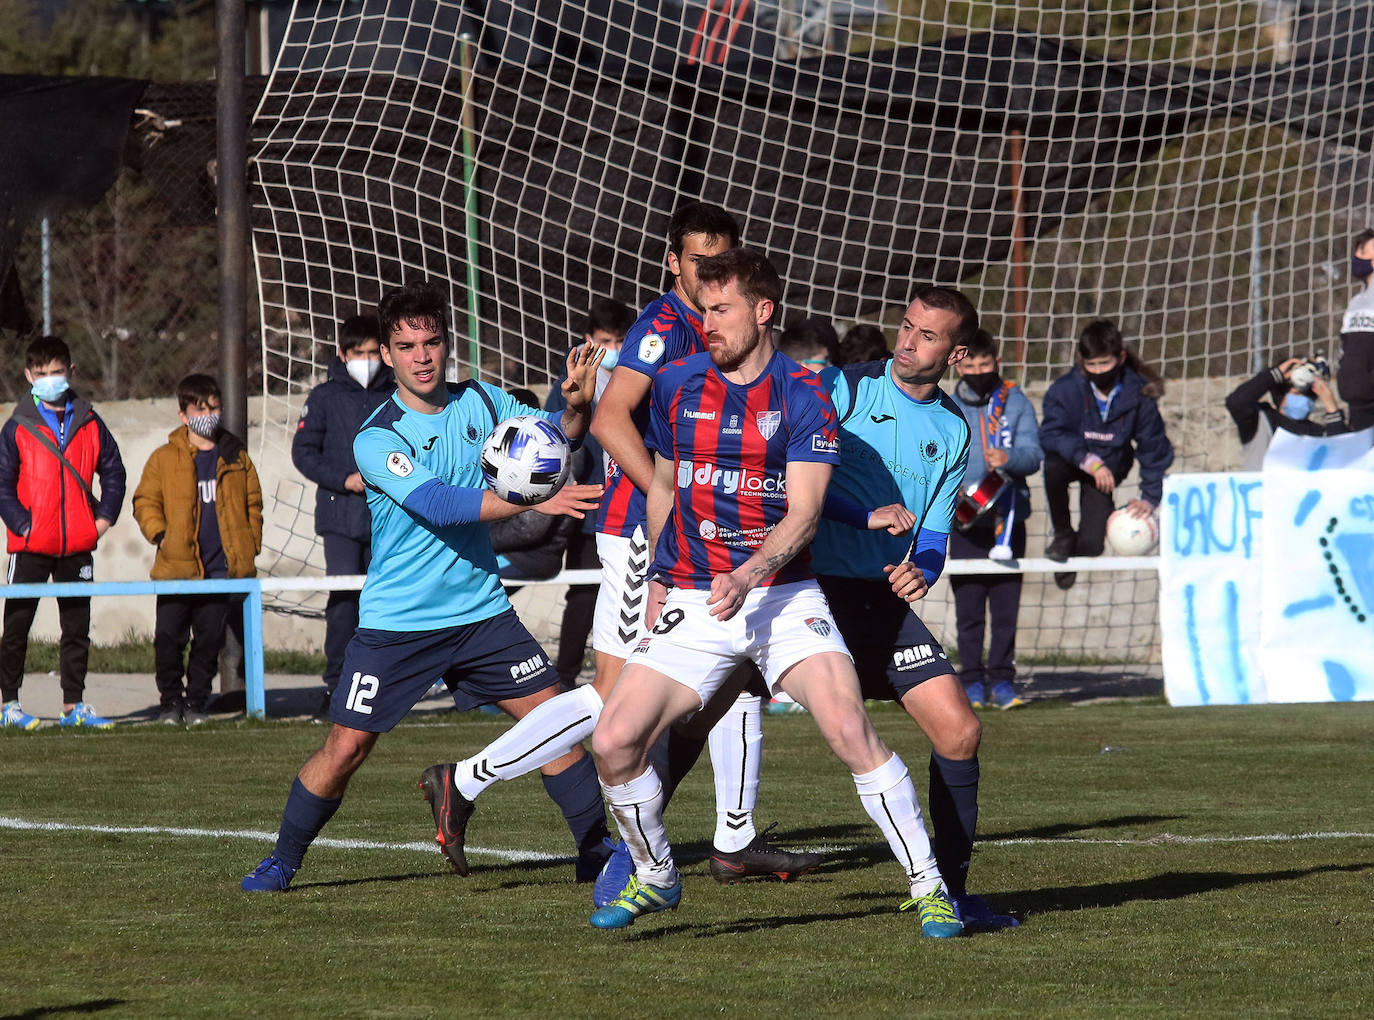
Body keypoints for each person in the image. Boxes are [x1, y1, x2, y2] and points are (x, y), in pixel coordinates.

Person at [417, 203, 822, 911]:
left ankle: (734, 836)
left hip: (701, 539)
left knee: (739, 670)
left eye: (721, 258)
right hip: (646, 535)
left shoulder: (722, 326)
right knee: (617, 700)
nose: (709, 273)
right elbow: (608, 420)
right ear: (674, 264)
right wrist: (670, 498)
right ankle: (470, 781)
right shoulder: (664, 327)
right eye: (698, 260)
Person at [588, 250, 963, 937]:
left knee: (851, 730)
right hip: (698, 598)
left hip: (783, 597)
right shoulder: (675, 384)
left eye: (721, 310)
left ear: (763, 313)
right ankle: (657, 874)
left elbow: (805, 514)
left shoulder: (804, 394)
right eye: (703, 311)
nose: (707, 324)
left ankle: (931, 887)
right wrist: (658, 580)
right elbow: (665, 486)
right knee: (612, 741)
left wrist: (748, 573)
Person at [242, 280, 608, 893]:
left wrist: (573, 408)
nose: (422, 355)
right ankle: (282, 860)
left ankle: (597, 852)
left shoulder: (486, 403)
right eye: (406, 345)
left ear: (447, 343)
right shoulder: (376, 433)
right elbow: (439, 504)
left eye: (432, 342)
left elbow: (552, 437)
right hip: (398, 624)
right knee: (346, 749)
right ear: (386, 353)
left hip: (481, 614)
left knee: (555, 727)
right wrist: (535, 493)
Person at [811, 287, 1018, 932]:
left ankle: (949, 896)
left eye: (927, 336)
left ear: (956, 353)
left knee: (960, 731)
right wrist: (860, 514)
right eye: (906, 327)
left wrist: (921, 571)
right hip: (803, 592)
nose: (907, 342)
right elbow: (798, 484)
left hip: (875, 602)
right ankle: (632, 859)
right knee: (696, 709)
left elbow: (932, 535)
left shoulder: (956, 430)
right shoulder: (845, 389)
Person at [0, 335, 125, 730]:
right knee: (16, 626)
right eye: (41, 374)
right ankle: (9, 705)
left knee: (76, 628)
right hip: (31, 545)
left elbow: (114, 472)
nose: (50, 379)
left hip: (77, 545)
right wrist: (24, 525)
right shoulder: (17, 426)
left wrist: (100, 522)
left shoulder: (89, 421)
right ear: (28, 376)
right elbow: (2, 483)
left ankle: (74, 706)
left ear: (71, 371)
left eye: (56, 372)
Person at [132, 375, 263, 726]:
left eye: (214, 407)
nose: (208, 414)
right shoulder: (163, 458)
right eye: (200, 408)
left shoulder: (236, 456)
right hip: (177, 568)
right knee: (168, 640)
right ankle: (170, 703)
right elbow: (145, 500)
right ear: (183, 414)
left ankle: (196, 704)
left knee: (208, 641)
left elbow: (253, 503)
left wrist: (250, 544)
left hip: (220, 569)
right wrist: (160, 535)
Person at [291, 314, 394, 722]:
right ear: (342, 355)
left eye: (373, 352)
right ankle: (335, 685)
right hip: (339, 519)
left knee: (383, 603)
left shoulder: (398, 394)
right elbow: (304, 452)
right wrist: (343, 479)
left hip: (388, 519)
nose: (366, 360)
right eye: (358, 353)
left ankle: (383, 686)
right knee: (343, 603)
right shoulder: (323, 397)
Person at [946, 328, 1042, 710]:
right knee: (968, 610)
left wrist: (1010, 459)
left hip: (1007, 519)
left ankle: (1003, 681)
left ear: (997, 363)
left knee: (1005, 610)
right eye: (971, 365)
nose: (979, 371)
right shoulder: (948, 405)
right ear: (959, 365)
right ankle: (970, 682)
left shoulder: (1016, 402)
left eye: (985, 364)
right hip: (964, 519)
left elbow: (1034, 455)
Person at [544, 298, 637, 686]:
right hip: (588, 509)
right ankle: (564, 677)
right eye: (604, 340)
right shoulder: (568, 385)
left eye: (619, 340)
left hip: (632, 510)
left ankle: (632, 675)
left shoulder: (640, 377)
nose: (611, 349)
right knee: (582, 593)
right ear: (588, 339)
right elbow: (553, 439)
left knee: (634, 595)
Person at [1040, 320, 1173, 590]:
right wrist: (1088, 460)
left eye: (1105, 364)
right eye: (1092, 365)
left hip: (1109, 470)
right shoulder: (1065, 390)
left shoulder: (1140, 394)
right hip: (1074, 460)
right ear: (1082, 361)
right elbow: (1051, 433)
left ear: (1120, 357)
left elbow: (1154, 447)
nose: (1099, 371)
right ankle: (1063, 534)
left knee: (1092, 546)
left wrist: (1149, 496)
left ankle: (1078, 549)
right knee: (1052, 465)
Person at [488, 389, 577, 585]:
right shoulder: (504, 456)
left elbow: (529, 528)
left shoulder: (550, 458)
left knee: (458, 576)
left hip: (529, 557)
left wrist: (482, 540)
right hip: (513, 552)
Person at [1225, 356, 1347, 468]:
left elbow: (1344, 452)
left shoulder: (1318, 432)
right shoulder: (1260, 420)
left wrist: (1332, 408)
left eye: (1307, 395)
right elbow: (1236, 402)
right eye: (1296, 393)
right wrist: (1275, 374)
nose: (1302, 400)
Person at [1336, 228, 1374, 430]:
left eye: (1363, 252)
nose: (1357, 257)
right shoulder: (1355, 302)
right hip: (1356, 400)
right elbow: (1345, 347)